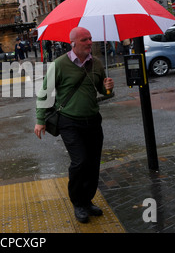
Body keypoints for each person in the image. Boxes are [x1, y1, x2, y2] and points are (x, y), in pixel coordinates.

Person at [34, 27, 114, 223]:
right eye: (85, 39)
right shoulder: (60, 64)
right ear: (73, 43)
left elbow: (102, 91)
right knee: (80, 162)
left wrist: (109, 88)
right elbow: (45, 92)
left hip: (93, 121)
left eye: (90, 39)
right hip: (69, 122)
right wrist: (40, 120)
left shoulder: (95, 63)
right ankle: (78, 202)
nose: (89, 42)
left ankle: (87, 200)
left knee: (93, 163)